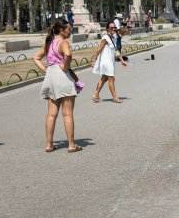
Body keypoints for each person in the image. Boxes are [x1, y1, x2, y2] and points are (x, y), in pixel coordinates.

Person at [33, 18, 82, 153]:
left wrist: (46, 69)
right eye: (69, 29)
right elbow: (68, 54)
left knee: (51, 114)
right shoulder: (63, 42)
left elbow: (36, 58)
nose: (70, 31)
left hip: (51, 76)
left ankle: (49, 144)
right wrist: (65, 67)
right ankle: (71, 145)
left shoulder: (49, 43)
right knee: (67, 114)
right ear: (61, 30)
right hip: (62, 77)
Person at [91, 22, 128, 104]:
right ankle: (115, 97)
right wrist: (94, 59)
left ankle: (96, 95)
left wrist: (122, 60)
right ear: (107, 29)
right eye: (111, 28)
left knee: (104, 78)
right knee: (111, 78)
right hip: (106, 62)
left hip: (110, 61)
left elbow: (116, 50)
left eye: (114, 27)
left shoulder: (113, 37)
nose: (113, 29)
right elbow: (99, 49)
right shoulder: (105, 38)